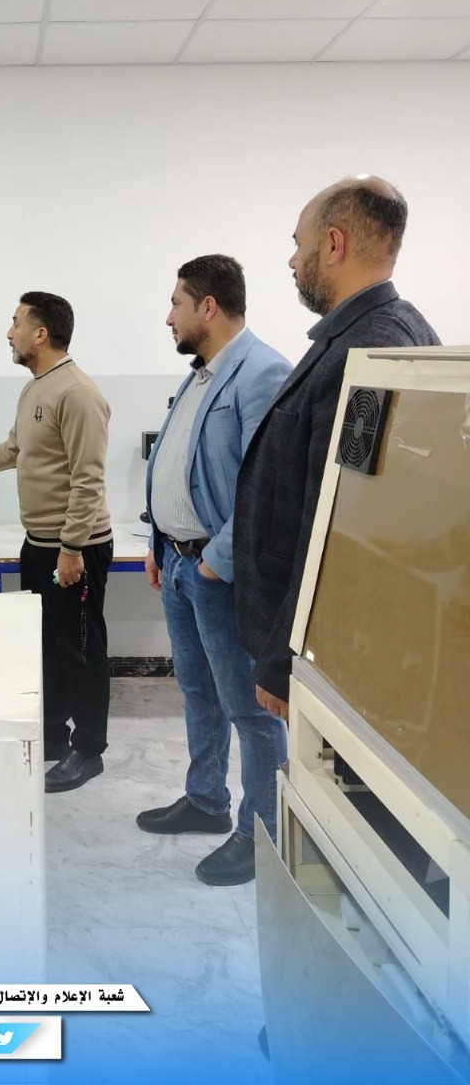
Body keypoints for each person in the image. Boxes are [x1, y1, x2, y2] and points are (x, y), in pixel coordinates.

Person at [235, 176, 440, 721]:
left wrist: (284, 658)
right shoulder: (362, 335)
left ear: (332, 244)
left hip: (329, 654)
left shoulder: (372, 349)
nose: (291, 260)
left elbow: (339, 528)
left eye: (297, 243)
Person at [136, 257, 292, 886]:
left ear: (208, 306)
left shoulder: (263, 372)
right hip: (178, 562)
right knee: (198, 690)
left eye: (176, 302)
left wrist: (212, 565)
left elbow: (266, 490)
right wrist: (160, 542)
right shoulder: (199, 376)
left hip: (217, 574)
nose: (167, 316)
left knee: (250, 711)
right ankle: (205, 800)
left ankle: (262, 835)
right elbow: (177, 466)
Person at [0, 292, 112, 794]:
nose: (8, 332)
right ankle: (52, 737)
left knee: (81, 650)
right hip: (39, 542)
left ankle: (89, 751)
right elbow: (16, 449)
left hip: (74, 548)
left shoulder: (77, 393)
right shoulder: (36, 388)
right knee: (48, 647)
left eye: (15, 323)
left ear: (40, 333)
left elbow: (88, 479)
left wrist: (72, 549)